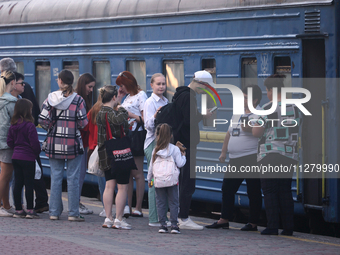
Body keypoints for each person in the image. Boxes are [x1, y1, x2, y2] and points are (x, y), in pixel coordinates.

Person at [205, 85, 263, 231]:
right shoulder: (237, 113)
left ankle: (253, 223)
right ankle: (224, 219)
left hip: (251, 158)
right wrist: (223, 152)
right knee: (227, 188)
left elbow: (260, 133)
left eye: (245, 97)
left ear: (255, 100)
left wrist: (249, 127)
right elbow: (228, 134)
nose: (242, 100)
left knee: (253, 191)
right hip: (235, 158)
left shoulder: (260, 114)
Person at [252, 74, 300, 236]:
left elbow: (257, 132)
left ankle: (272, 226)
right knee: (285, 191)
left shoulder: (267, 108)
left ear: (271, 90)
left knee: (270, 191)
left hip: (269, 154)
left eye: (267, 90)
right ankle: (288, 227)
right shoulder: (295, 108)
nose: (267, 94)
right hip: (289, 155)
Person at [38, 69, 88, 221]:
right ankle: (73, 213)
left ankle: (54, 212)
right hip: (73, 142)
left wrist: (52, 128)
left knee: (56, 177)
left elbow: (42, 119)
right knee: (73, 178)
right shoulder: (78, 100)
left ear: (59, 81)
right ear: (72, 82)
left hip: (54, 143)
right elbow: (83, 122)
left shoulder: (50, 98)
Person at [173, 70, 212, 230]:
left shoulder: (180, 95)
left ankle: (179, 216)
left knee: (182, 181)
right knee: (188, 182)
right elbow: (189, 120)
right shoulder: (189, 97)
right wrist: (203, 115)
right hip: (187, 144)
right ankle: (183, 217)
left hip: (181, 143)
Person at [96, 85, 131, 229]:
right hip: (118, 154)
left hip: (105, 154)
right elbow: (119, 120)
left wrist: (119, 100)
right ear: (113, 98)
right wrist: (122, 107)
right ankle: (119, 219)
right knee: (122, 187)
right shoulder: (112, 113)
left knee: (109, 186)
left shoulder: (100, 112)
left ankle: (108, 218)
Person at [116, 71, 148, 217]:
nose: (121, 88)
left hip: (136, 137)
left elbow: (145, 119)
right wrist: (119, 98)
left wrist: (132, 116)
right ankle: (127, 206)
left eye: (122, 85)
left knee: (138, 173)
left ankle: (138, 207)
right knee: (127, 172)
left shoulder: (141, 96)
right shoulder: (127, 98)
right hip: (126, 136)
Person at [147, 123, 186, 234]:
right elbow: (180, 164)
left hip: (158, 180)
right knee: (173, 202)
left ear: (157, 136)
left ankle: (162, 225)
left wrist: (150, 181)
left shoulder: (155, 150)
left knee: (160, 203)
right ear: (171, 136)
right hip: (172, 181)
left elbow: (151, 168)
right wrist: (184, 156)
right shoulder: (175, 149)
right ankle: (174, 225)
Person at [7, 99, 41, 219]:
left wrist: (16, 149)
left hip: (16, 157)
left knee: (18, 184)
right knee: (29, 184)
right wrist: (37, 152)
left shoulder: (13, 125)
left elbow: (9, 141)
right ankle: (31, 210)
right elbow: (34, 143)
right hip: (28, 158)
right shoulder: (30, 126)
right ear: (28, 111)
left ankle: (18, 210)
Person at [143, 73, 168, 226]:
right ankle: (153, 218)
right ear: (151, 85)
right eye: (158, 84)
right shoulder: (149, 102)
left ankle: (162, 217)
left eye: (163, 84)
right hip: (153, 142)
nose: (161, 86)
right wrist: (156, 115)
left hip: (164, 143)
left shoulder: (166, 101)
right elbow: (148, 125)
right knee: (153, 180)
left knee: (164, 180)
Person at [76, 73, 96, 215]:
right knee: (79, 173)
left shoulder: (82, 99)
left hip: (82, 142)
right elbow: (83, 124)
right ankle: (75, 203)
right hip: (80, 142)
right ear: (83, 85)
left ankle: (75, 202)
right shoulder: (80, 100)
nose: (91, 90)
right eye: (89, 87)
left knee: (79, 173)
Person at [86, 94, 107, 217]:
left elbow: (86, 126)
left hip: (96, 148)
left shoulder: (93, 110)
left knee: (102, 180)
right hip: (109, 146)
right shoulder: (112, 110)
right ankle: (124, 206)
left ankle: (106, 208)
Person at [0, 71, 17, 217]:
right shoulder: (12, 102)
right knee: (5, 177)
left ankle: (6, 205)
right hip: (6, 142)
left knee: (4, 177)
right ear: (12, 83)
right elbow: (15, 122)